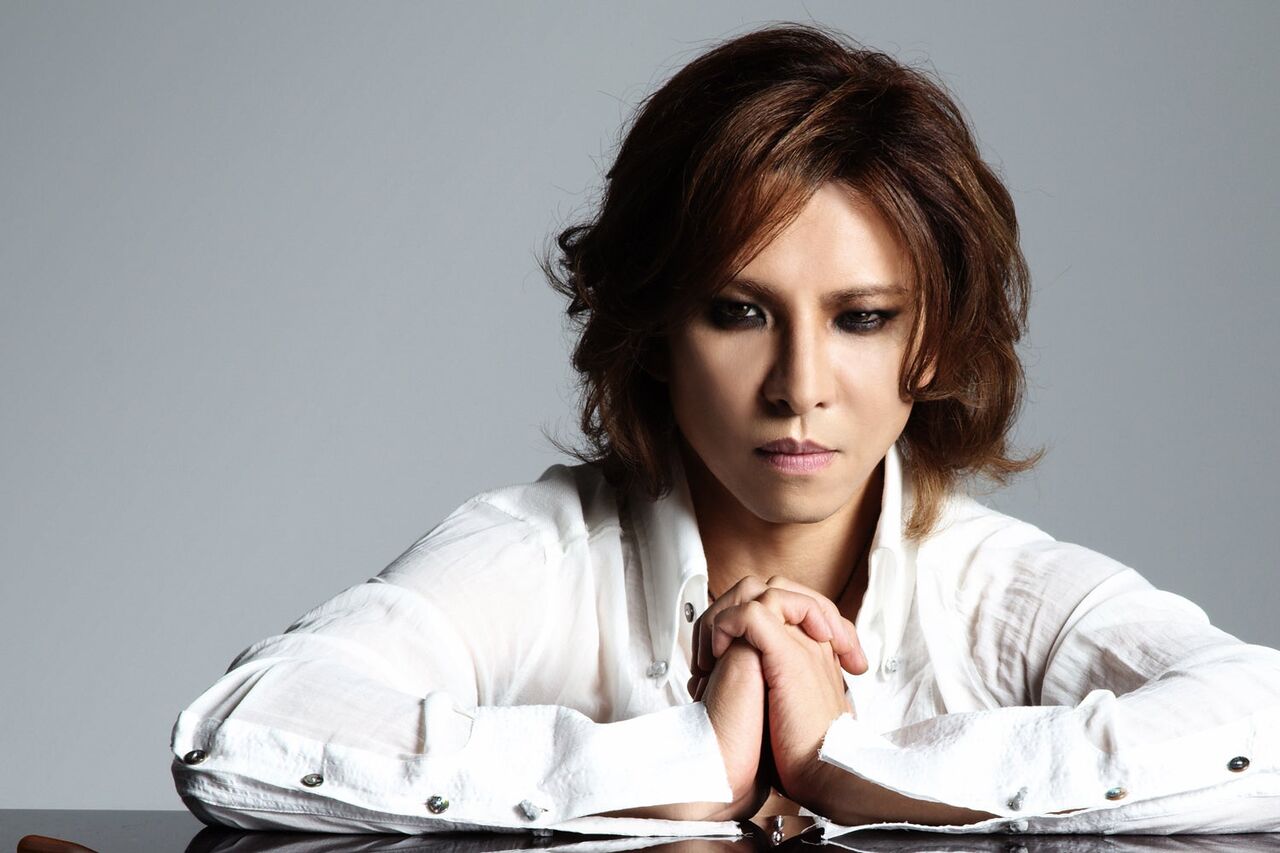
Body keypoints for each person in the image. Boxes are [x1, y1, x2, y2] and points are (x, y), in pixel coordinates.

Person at [169, 23, 1280, 838]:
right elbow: (241, 728)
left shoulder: (1000, 590)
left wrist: (858, 761)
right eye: (739, 312)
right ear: (655, 328)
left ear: (934, 345)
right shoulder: (539, 554)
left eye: (861, 318)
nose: (798, 386)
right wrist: (676, 762)